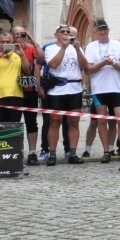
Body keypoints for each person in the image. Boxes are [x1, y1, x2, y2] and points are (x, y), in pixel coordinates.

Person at [84, 19, 120, 164]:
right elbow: (88, 69)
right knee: (102, 120)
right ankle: (106, 151)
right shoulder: (91, 47)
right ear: (95, 32)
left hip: (116, 88)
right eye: (100, 30)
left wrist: (114, 63)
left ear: (108, 30)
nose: (102, 32)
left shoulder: (117, 45)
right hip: (99, 89)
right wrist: (103, 62)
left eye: (105, 30)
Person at [44, 24, 88, 165]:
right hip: (57, 89)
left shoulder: (76, 48)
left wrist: (77, 48)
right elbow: (53, 65)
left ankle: (73, 153)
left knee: (73, 122)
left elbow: (84, 65)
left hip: (75, 88)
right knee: (55, 121)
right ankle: (52, 154)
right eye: (62, 32)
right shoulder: (50, 48)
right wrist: (63, 47)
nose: (65, 34)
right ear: (56, 34)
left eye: (67, 32)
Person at [11, 26, 45, 165]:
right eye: (17, 34)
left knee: (31, 122)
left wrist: (32, 40)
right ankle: (14, 153)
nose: (20, 36)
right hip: (14, 90)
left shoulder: (30, 48)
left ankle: (32, 153)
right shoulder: (10, 48)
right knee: (15, 122)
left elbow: (42, 59)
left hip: (29, 89)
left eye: (22, 34)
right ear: (12, 36)